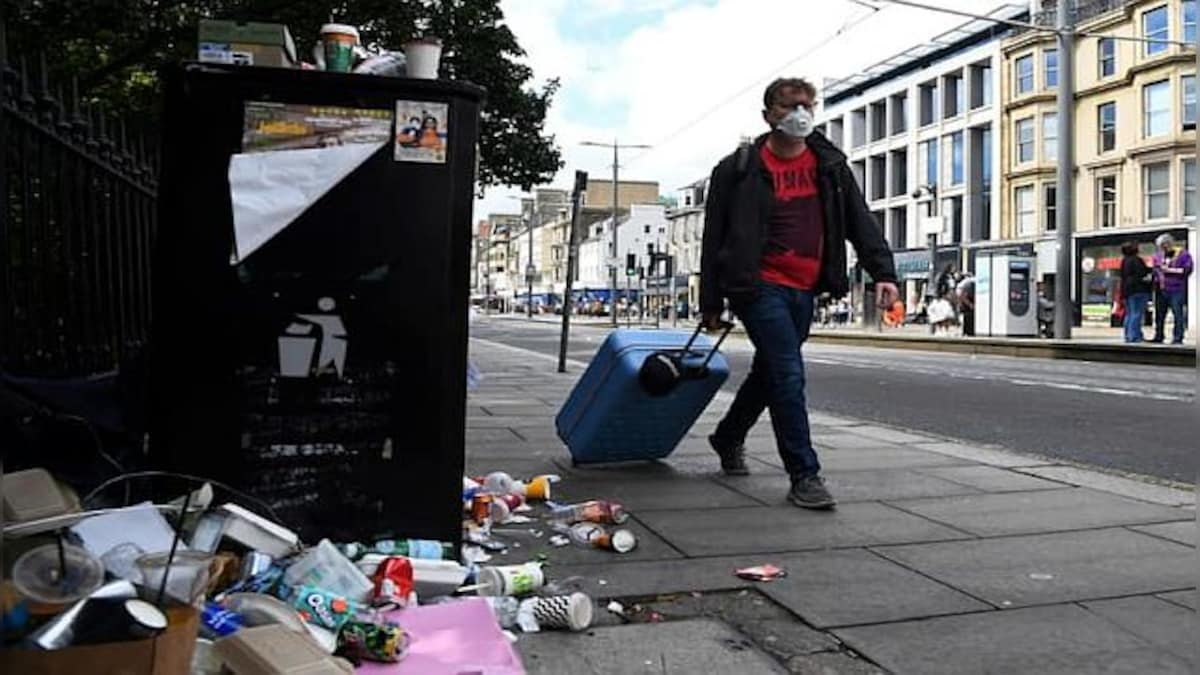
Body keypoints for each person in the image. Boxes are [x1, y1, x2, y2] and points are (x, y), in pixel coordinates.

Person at [700, 77, 899, 509]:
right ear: (769, 114)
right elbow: (714, 238)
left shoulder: (829, 165)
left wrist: (884, 272)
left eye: (809, 104)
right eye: (791, 105)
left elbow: (858, 221)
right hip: (757, 285)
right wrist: (711, 302)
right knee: (788, 374)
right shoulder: (738, 169)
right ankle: (804, 475)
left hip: (806, 287)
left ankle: (728, 436)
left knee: (769, 371)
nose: (802, 112)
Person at [1151, 234, 1193, 344]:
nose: (1163, 249)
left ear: (1169, 244)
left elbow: (1187, 270)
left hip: (1176, 289)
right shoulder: (1158, 256)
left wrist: (1171, 270)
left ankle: (1178, 337)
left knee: (1177, 314)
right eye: (1161, 247)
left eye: (1165, 246)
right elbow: (1155, 270)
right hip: (1161, 288)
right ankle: (1159, 335)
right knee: (1159, 314)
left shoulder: (1183, 254)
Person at [1119, 241, 1153, 343]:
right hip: (1138, 290)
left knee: (1129, 314)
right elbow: (1142, 274)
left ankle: (1128, 335)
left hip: (1126, 290)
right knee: (1137, 313)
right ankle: (1135, 336)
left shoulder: (1124, 261)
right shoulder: (1137, 260)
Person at [956, 272, 976, 337]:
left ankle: (966, 333)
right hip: (967, 307)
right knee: (968, 319)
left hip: (965, 305)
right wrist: (970, 304)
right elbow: (962, 296)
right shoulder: (970, 283)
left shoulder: (964, 283)